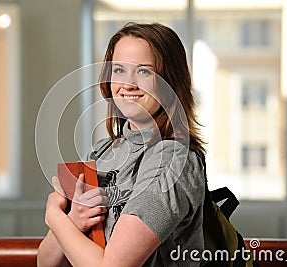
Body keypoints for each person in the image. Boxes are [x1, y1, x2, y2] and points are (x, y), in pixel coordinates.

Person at [37, 22, 206, 267]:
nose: (127, 84)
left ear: (170, 80)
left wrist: (55, 216)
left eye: (144, 71)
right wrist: (73, 221)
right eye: (119, 70)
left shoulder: (173, 160)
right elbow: (45, 262)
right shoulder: (102, 152)